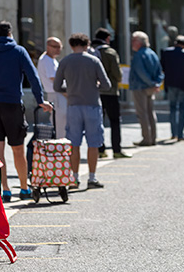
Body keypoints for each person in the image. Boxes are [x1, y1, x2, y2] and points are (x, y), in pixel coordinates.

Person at [0, 21, 52, 202]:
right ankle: (24, 188)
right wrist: (40, 100)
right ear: (10, 34)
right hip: (12, 104)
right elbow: (33, 77)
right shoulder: (18, 51)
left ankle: (5, 190)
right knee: (18, 149)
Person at [53, 33, 111, 189]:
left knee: (74, 143)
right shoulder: (94, 61)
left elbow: (57, 86)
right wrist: (94, 85)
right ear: (87, 45)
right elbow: (107, 85)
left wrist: (70, 89)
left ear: (71, 45)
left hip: (73, 105)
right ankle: (92, 177)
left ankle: (75, 177)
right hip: (92, 104)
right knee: (94, 143)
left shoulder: (65, 61)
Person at [91, 28, 131, 159]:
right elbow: (117, 74)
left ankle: (101, 150)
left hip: (95, 92)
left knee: (98, 121)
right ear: (107, 39)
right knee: (114, 121)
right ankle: (116, 150)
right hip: (111, 91)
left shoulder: (91, 51)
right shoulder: (110, 52)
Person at [129, 31, 164, 146]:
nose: (132, 43)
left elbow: (140, 72)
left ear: (139, 42)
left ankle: (147, 139)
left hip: (141, 87)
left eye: (134, 40)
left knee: (142, 113)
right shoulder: (152, 53)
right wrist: (156, 83)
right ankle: (152, 137)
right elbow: (160, 72)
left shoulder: (139, 55)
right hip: (150, 87)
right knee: (150, 113)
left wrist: (151, 83)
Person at [160, 35, 184, 141]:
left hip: (170, 83)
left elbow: (162, 67)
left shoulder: (166, 52)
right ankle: (180, 134)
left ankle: (173, 133)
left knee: (172, 108)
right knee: (182, 109)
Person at [37, 37, 67, 138]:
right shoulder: (46, 60)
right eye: (55, 47)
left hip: (57, 93)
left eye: (60, 47)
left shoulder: (51, 59)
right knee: (60, 123)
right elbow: (55, 80)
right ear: (48, 47)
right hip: (56, 94)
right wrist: (67, 93)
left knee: (61, 122)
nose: (58, 49)